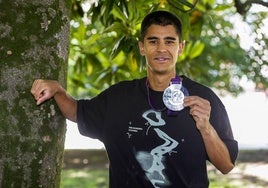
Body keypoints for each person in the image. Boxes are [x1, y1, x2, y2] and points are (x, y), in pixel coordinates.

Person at [31, 10, 238, 188]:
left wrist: (205, 127)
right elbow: (77, 112)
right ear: (141, 47)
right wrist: (57, 90)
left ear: (180, 47)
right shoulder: (118, 97)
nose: (161, 49)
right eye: (153, 41)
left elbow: (226, 165)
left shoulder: (203, 98)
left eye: (169, 41)